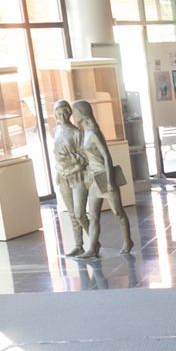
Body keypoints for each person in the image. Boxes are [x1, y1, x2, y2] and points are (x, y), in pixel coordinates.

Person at [72, 98, 133, 257]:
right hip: (94, 180)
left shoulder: (94, 133)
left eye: (75, 112)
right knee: (93, 216)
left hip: (104, 178)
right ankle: (92, 248)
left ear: (82, 113)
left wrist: (111, 182)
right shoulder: (85, 132)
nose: (74, 116)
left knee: (118, 213)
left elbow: (107, 156)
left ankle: (128, 241)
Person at [50, 100, 87, 256]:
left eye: (64, 112)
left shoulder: (77, 133)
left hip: (77, 176)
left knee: (80, 214)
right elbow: (57, 155)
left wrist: (73, 163)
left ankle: (94, 241)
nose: (62, 116)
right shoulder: (56, 130)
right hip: (62, 176)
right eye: (58, 113)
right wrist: (59, 171)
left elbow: (84, 158)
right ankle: (79, 245)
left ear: (70, 113)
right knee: (72, 214)